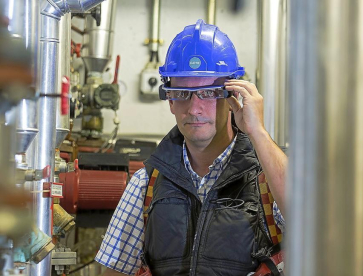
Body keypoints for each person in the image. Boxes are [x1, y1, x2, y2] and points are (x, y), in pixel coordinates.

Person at [96, 19, 287, 276]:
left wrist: (258, 133)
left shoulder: (266, 180)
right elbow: (115, 271)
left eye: (208, 93)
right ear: (170, 101)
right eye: (182, 94)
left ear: (232, 96)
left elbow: (313, 227)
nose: (194, 108)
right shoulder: (146, 183)